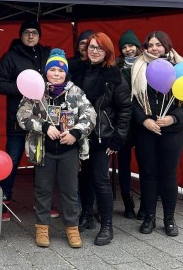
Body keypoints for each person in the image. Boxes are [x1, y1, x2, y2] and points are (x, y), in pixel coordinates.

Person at [16, 48, 96, 248]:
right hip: (44, 151)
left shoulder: (76, 92)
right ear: (46, 72)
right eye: (53, 70)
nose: (57, 74)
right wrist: (44, 127)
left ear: (66, 73)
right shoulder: (36, 92)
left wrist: (76, 133)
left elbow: (90, 115)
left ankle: (72, 229)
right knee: (43, 190)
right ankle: (42, 228)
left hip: (68, 150)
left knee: (70, 191)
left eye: (61, 71)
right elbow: (22, 116)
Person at [130, 31, 183, 237]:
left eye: (158, 44)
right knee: (148, 176)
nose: (154, 48)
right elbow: (131, 101)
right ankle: (149, 217)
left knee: (168, 176)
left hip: (172, 132)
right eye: (150, 45)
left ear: (166, 46)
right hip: (146, 131)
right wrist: (144, 120)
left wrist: (173, 118)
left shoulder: (181, 67)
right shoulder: (138, 68)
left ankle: (169, 219)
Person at [71, 32, 131, 246]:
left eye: (99, 48)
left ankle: (107, 225)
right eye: (91, 47)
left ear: (107, 52)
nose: (94, 51)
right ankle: (87, 215)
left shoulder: (114, 76)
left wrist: (118, 139)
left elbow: (125, 109)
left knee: (100, 180)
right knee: (83, 179)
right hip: (78, 136)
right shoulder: (77, 70)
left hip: (101, 137)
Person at [0, 20, 51, 221]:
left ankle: (42, 203)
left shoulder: (46, 55)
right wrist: (21, 88)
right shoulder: (11, 56)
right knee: (12, 160)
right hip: (18, 119)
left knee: (41, 160)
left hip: (42, 119)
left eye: (35, 32)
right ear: (21, 35)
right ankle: (1, 202)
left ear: (40, 35)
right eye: (27, 33)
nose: (31, 36)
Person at [116, 29, 143, 220]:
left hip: (142, 123)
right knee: (123, 165)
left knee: (145, 164)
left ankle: (145, 205)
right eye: (124, 47)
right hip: (124, 123)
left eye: (131, 45)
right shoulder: (116, 68)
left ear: (138, 47)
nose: (128, 50)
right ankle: (127, 203)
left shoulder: (147, 66)